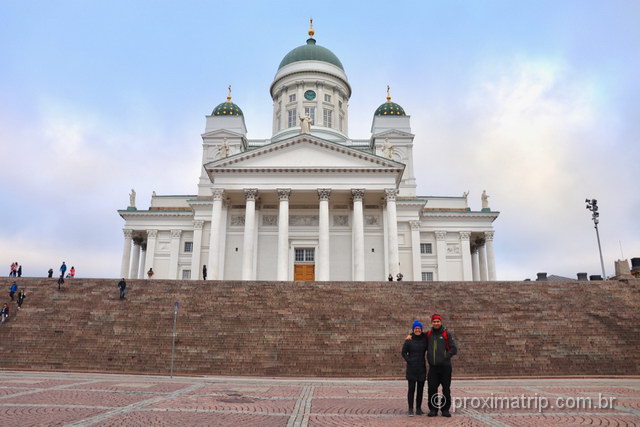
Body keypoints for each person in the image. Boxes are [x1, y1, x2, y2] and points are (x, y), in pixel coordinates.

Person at [426, 314, 458, 417]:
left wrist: (445, 356)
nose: (436, 323)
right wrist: (411, 334)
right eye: (434, 321)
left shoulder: (446, 334)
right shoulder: (429, 334)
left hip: (445, 367)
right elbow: (417, 335)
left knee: (446, 389)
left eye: (437, 321)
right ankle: (433, 409)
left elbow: (454, 349)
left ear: (441, 322)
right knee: (432, 389)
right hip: (433, 368)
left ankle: (445, 410)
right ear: (432, 323)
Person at [402, 320, 427, 416]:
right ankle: (410, 408)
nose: (417, 330)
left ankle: (418, 408)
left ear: (421, 329)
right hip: (412, 368)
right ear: (413, 329)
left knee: (420, 390)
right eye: (416, 328)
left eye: (419, 328)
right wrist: (409, 360)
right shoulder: (409, 340)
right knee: (411, 389)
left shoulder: (425, 338)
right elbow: (403, 352)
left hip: (421, 367)